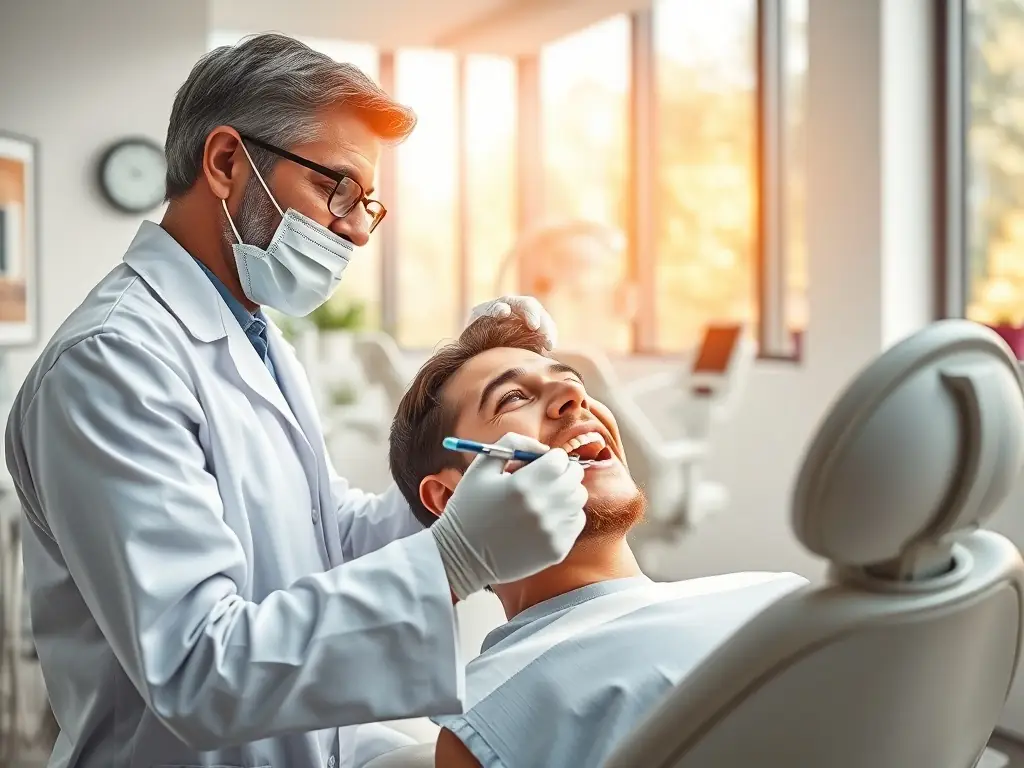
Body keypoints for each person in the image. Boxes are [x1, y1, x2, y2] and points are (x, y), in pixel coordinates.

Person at [3, 34, 588, 768]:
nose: (353, 227)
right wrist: (453, 559)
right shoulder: (111, 363)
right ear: (225, 164)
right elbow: (195, 668)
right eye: (335, 187)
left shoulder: (255, 333)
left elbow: (326, 537)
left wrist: (458, 455)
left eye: (366, 203)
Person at [387, 313, 809, 768]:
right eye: (512, 397)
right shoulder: (492, 715)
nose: (575, 397)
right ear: (450, 497)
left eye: (573, 383)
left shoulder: (782, 595)